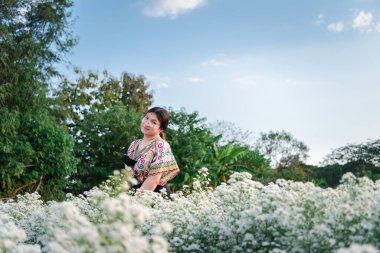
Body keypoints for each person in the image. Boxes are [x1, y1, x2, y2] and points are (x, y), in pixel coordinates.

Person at [123, 107, 179, 199]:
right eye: (146, 118)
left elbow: (154, 180)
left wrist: (135, 202)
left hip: (154, 196)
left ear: (161, 128)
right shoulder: (134, 144)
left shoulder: (161, 146)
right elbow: (128, 175)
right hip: (134, 193)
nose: (147, 123)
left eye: (154, 122)